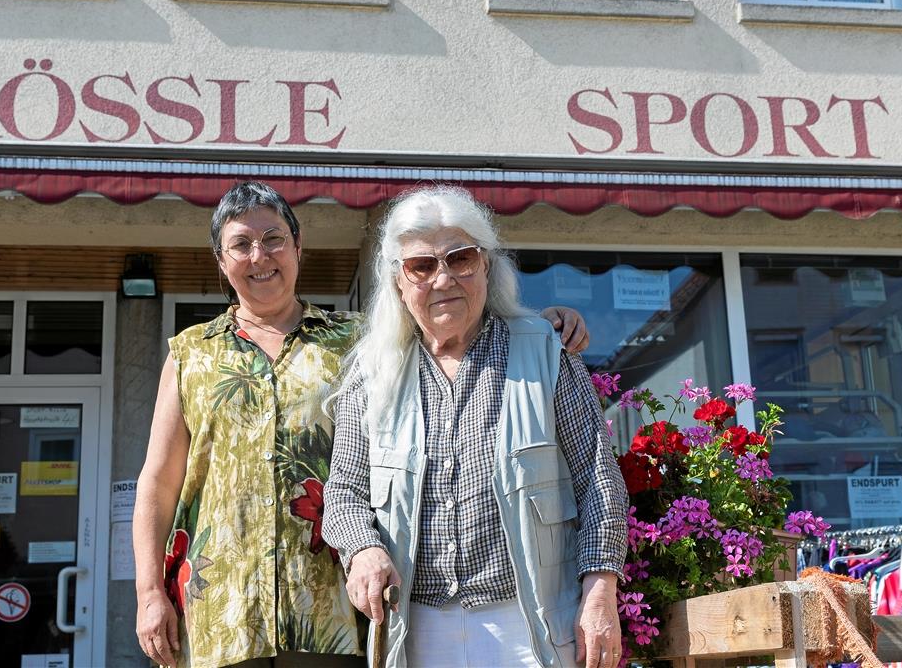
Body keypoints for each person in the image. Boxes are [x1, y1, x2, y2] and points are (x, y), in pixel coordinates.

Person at [133, 181, 591, 668]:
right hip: (221, 608)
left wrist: (543, 323)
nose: (259, 255)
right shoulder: (191, 354)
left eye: (273, 239)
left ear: (298, 246)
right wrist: (147, 592)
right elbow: (159, 481)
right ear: (221, 262)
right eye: (240, 245)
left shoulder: (359, 341)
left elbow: (447, 315)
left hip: (332, 611)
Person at [322, 185, 629, 668]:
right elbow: (343, 491)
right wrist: (361, 549)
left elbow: (600, 481)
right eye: (421, 266)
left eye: (460, 258)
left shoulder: (544, 352)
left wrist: (600, 591)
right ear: (399, 283)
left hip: (530, 624)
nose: (443, 278)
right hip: (417, 625)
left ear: (487, 265)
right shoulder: (372, 371)